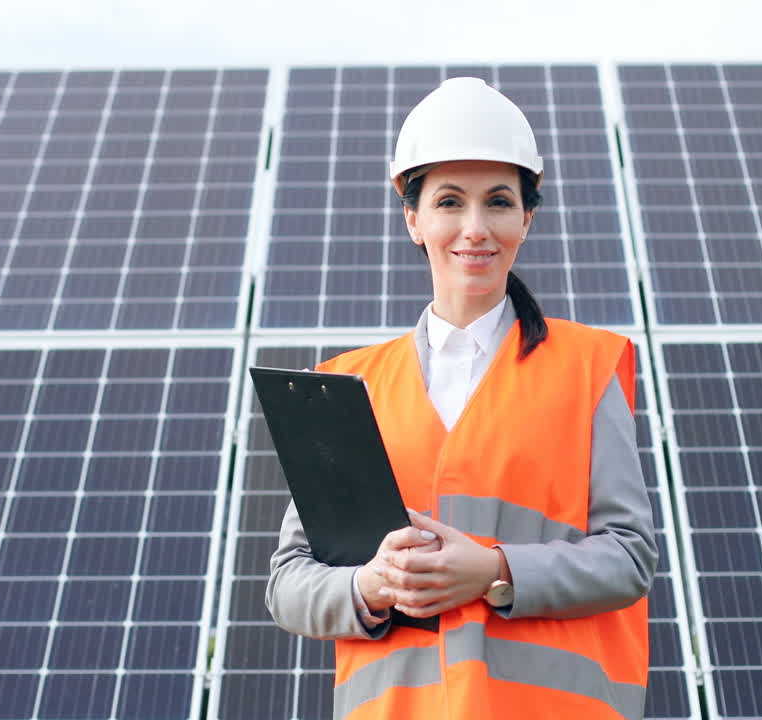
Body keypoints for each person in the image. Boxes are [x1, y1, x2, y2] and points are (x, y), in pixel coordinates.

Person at [265, 77, 657, 720]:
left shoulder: (587, 366)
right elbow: (289, 584)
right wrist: (373, 583)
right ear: (413, 218)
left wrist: (495, 571)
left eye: (498, 202)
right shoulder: (347, 385)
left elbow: (629, 556)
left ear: (526, 219)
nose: (475, 228)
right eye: (450, 201)